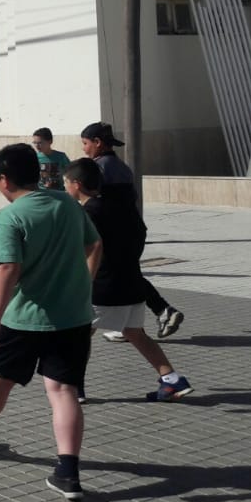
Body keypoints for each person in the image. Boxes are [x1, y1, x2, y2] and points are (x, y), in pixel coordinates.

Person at [0, 144, 101, 501]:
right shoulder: (67, 204)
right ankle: (68, 473)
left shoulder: (10, 217)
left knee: (1, 377)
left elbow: (8, 267)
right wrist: (83, 285)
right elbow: (94, 245)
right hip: (72, 317)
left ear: (3, 179)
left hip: (24, 318)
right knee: (63, 391)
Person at [63, 159, 194, 402]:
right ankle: (171, 379)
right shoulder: (120, 206)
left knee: (77, 337)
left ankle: (73, 388)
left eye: (66, 183)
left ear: (77, 184)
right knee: (136, 333)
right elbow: (140, 233)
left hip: (102, 287)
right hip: (132, 283)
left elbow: (83, 249)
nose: (65, 187)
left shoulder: (87, 213)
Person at [80, 122, 185, 339]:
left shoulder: (97, 169)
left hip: (113, 233)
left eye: (85, 143)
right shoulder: (121, 166)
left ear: (97, 143)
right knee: (127, 274)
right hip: (133, 229)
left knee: (122, 275)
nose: (84, 148)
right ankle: (135, 324)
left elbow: (95, 202)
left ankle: (155, 315)